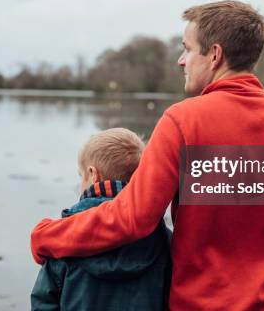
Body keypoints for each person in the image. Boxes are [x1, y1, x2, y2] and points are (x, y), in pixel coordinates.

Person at [31, 0, 264, 310]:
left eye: (188, 49)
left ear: (214, 55)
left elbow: (131, 219)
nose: (182, 60)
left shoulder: (182, 122)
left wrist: (48, 236)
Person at [30, 128, 171, 311]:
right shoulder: (162, 239)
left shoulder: (62, 240)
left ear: (93, 174)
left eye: (81, 176)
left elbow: (44, 303)